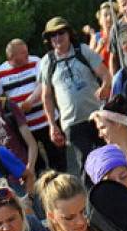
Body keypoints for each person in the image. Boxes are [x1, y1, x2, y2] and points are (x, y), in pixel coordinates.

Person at [39, 16, 111, 171]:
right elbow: (46, 96)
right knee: (87, 164)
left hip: (97, 115)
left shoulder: (83, 50)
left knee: (109, 157)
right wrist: (52, 125)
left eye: (61, 32)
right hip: (72, 122)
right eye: (53, 35)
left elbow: (105, 74)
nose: (58, 38)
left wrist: (105, 86)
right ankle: (93, 194)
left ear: (69, 33)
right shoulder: (47, 62)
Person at [0, 39, 67, 171]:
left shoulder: (36, 62)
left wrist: (30, 101)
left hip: (45, 120)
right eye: (23, 54)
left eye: (26, 52)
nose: (27, 56)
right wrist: (9, 109)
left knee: (57, 157)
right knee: (36, 163)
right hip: (24, 126)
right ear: (12, 57)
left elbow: (43, 85)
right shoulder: (0, 73)